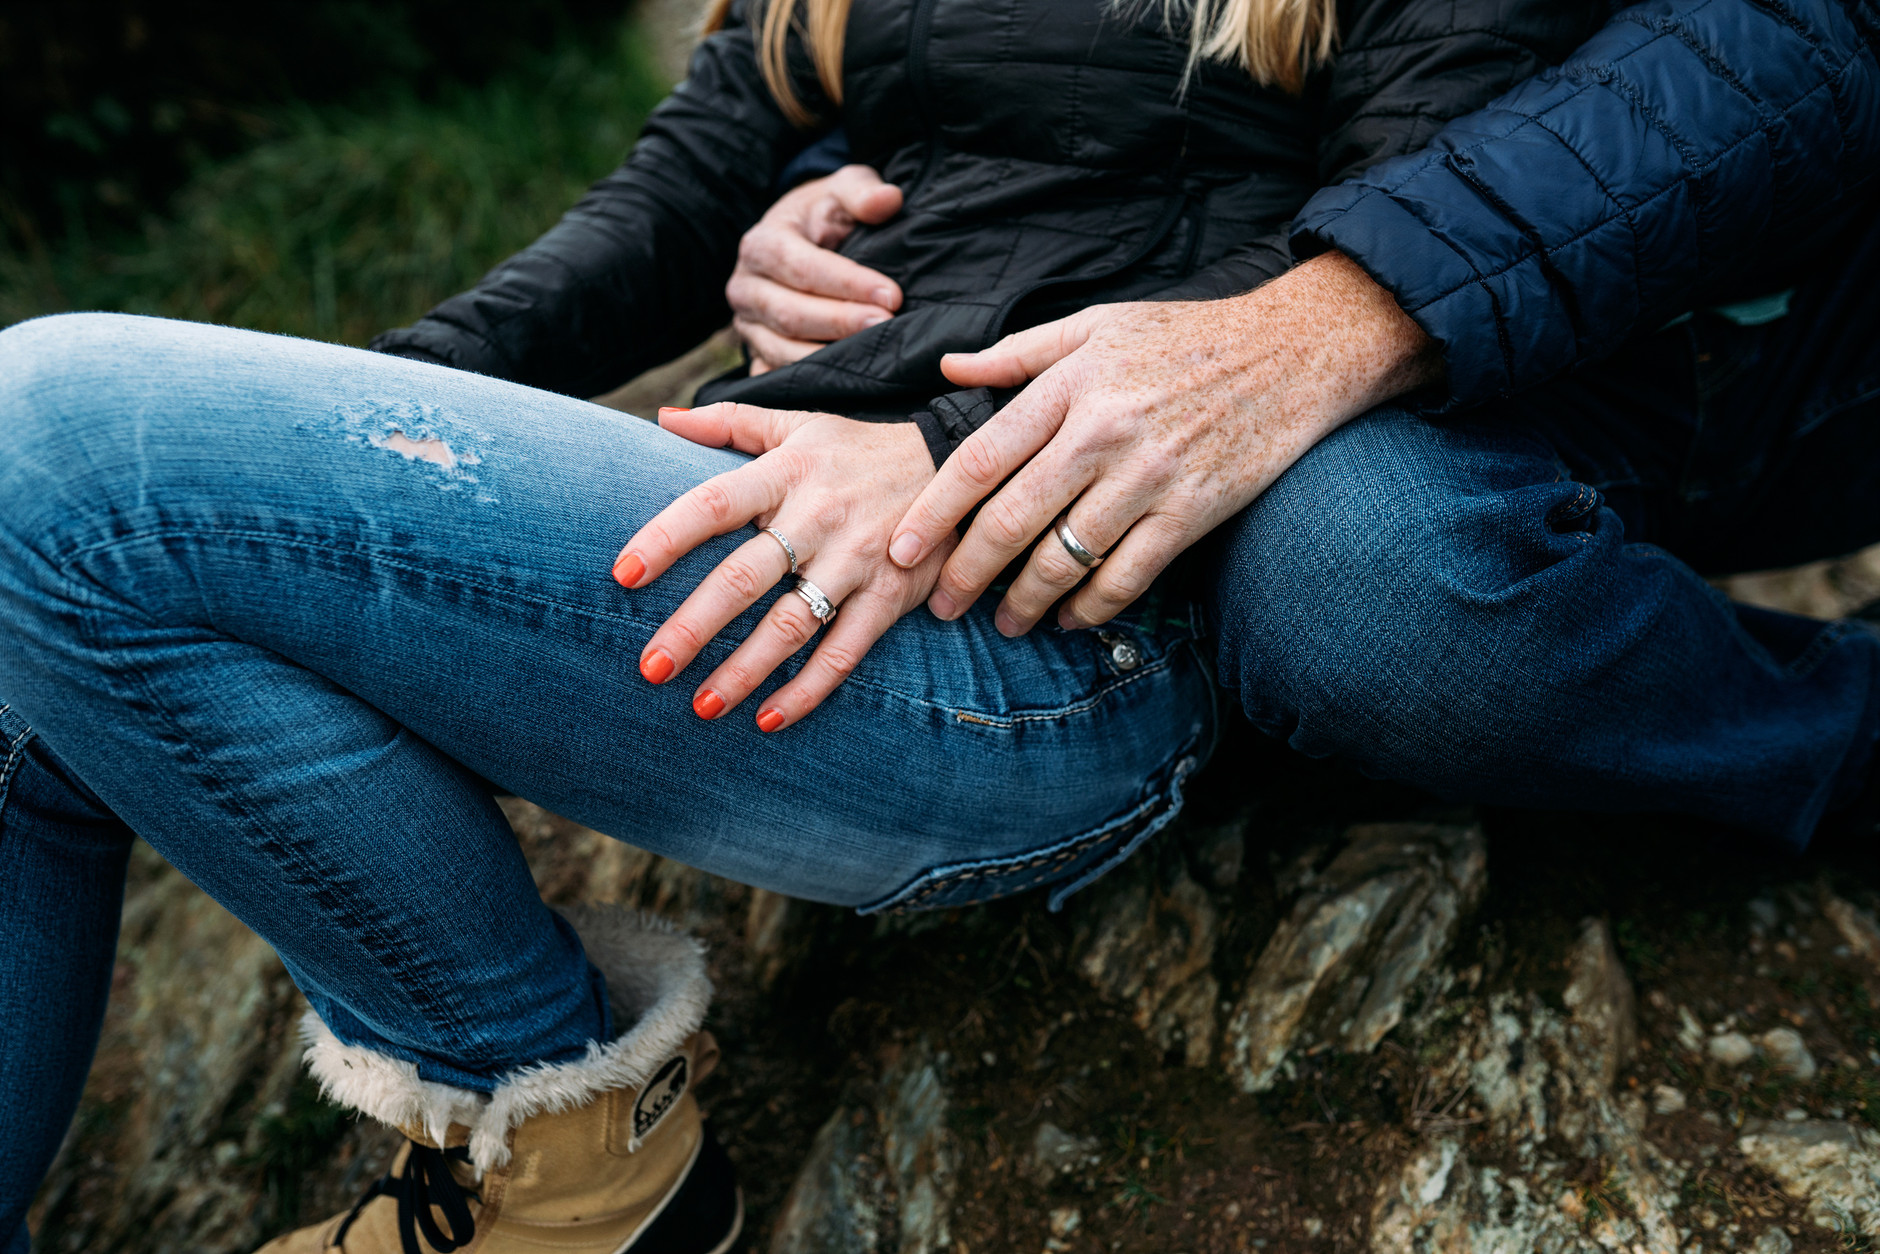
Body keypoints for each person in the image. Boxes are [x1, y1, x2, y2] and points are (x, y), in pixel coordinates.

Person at [0, 3, 1850, 1254]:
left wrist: (945, 440)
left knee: (43, 439)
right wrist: (314, 437)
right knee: (41, 583)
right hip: (812, 474)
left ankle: (558, 1159)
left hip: (1052, 621)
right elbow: (656, 215)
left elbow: (1349, 279)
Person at [735, 0, 1880, 849]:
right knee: (1360, 588)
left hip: (1799, 304)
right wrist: (829, 171)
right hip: (1503, 338)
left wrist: (1322, 323)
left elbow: (1784, 39)